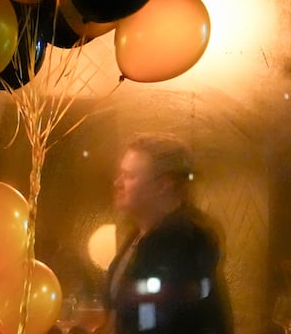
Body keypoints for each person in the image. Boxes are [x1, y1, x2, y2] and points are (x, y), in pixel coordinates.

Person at [99, 132, 233, 334]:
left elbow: (155, 322)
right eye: (121, 174)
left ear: (163, 185)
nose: (118, 183)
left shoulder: (186, 245)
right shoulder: (138, 238)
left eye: (130, 176)